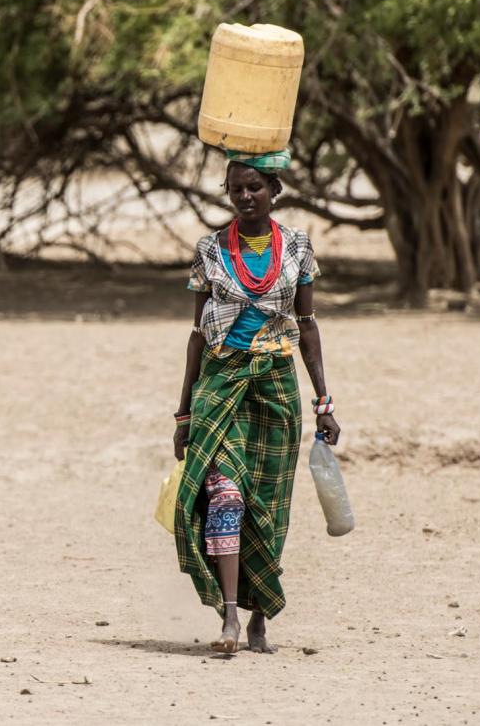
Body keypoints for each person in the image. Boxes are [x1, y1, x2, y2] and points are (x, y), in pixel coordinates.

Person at [170, 149, 341, 655]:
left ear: (275, 192)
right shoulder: (208, 250)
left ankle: (260, 616)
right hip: (220, 385)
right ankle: (228, 617)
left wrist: (324, 401)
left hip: (275, 389)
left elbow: (307, 328)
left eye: (255, 188)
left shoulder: (297, 249)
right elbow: (198, 334)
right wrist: (184, 412)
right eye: (236, 189)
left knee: (267, 508)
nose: (245, 197)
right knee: (224, 494)